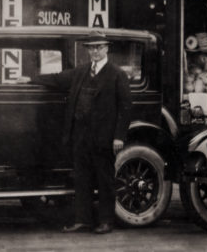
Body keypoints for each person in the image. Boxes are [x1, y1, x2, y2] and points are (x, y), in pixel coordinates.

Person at [28, 31, 133, 235]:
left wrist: (119, 136)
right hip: (80, 136)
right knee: (82, 180)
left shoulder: (117, 74)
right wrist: (30, 79)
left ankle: (106, 221)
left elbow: (126, 107)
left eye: (98, 47)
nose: (94, 51)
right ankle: (82, 220)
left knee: (104, 180)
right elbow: (57, 79)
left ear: (106, 48)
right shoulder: (81, 71)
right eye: (91, 48)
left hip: (104, 137)